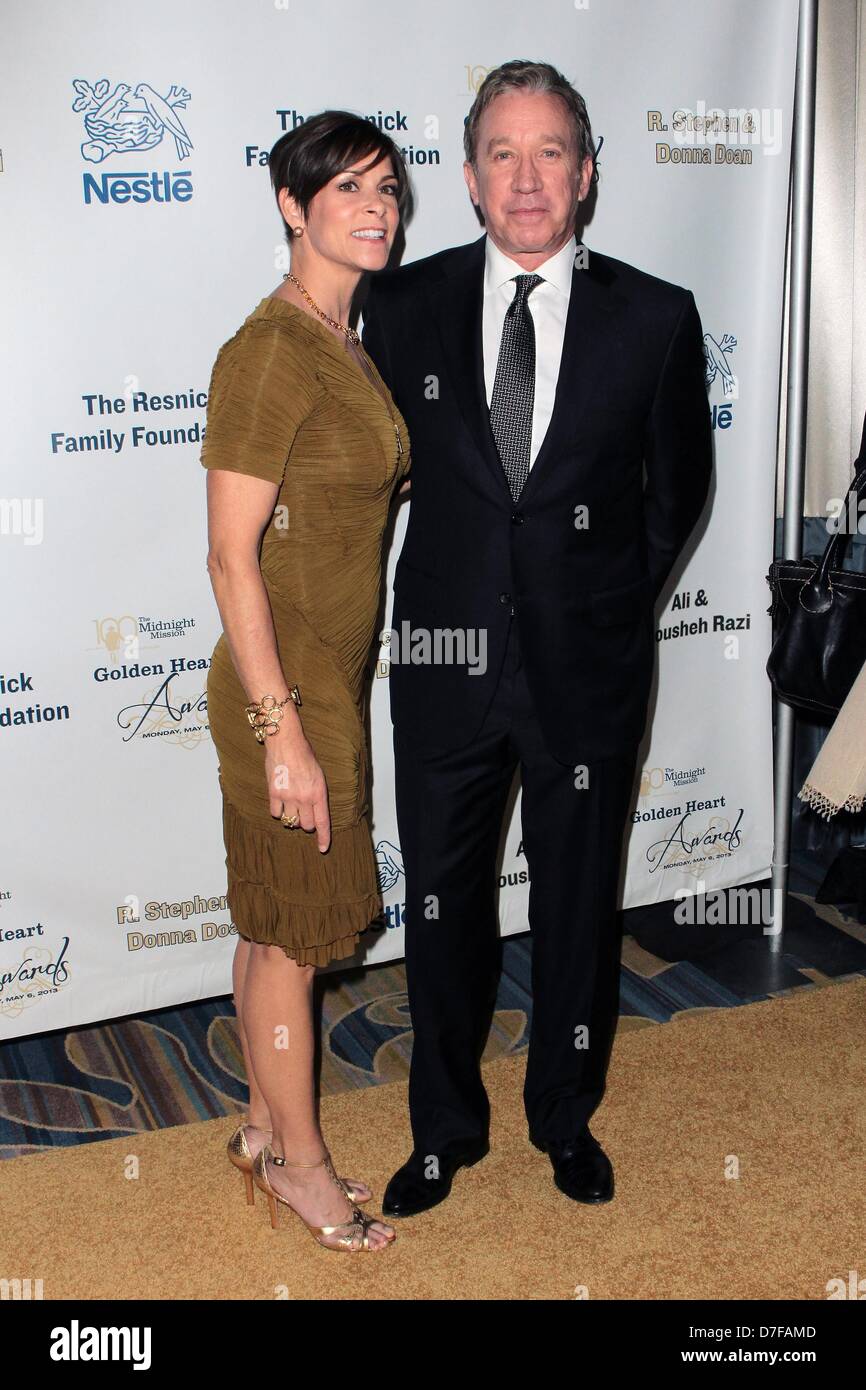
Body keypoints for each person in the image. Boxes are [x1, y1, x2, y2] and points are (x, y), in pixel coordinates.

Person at [362, 59, 713, 1215]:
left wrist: (605, 605)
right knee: (441, 908)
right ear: (467, 177)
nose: (526, 177)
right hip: (441, 665)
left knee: (574, 903)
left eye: (549, 150)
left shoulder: (654, 316)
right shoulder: (398, 306)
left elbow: (676, 492)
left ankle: (563, 1114)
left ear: (586, 173)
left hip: (586, 670)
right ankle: (442, 1130)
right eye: (502, 154)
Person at [201, 111, 411, 1251]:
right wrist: (280, 726)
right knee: (295, 939)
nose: (375, 208)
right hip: (283, 685)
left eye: (386, 188)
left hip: (321, 672)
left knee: (270, 921)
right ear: (292, 207)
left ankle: (258, 1120)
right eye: (347, 191)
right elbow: (231, 551)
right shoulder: (271, 350)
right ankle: (303, 1164)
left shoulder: (342, 337)